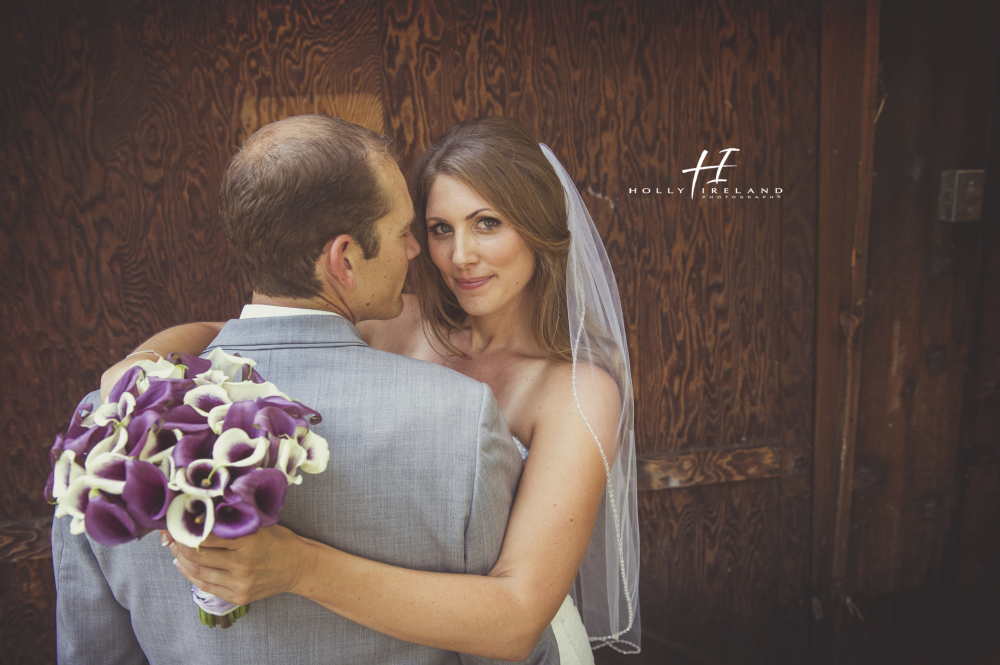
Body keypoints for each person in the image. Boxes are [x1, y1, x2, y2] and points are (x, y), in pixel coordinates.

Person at [109, 117, 641, 661]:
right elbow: (242, 331)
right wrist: (140, 361)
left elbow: (517, 617)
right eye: (439, 228)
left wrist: (298, 567)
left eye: (487, 224)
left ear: (539, 228)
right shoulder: (397, 320)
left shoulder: (575, 391)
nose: (460, 256)